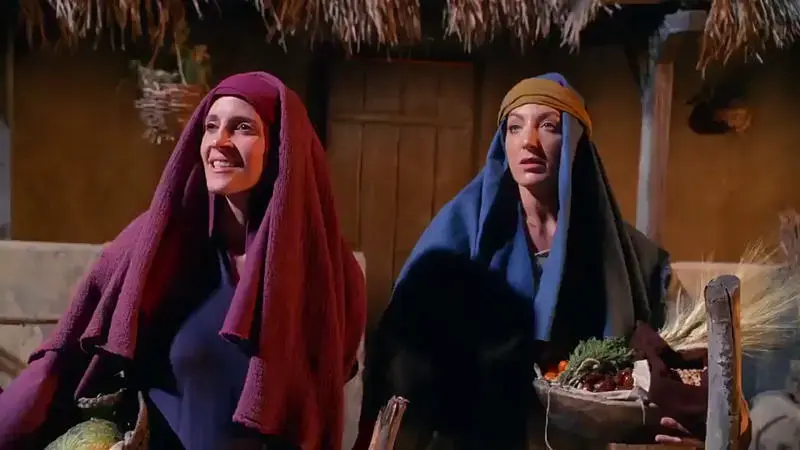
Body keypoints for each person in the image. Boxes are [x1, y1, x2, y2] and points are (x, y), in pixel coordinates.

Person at [0, 72, 367, 450]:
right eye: (211, 126)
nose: (219, 142)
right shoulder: (155, 247)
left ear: (282, 148)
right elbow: (62, 361)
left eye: (243, 128)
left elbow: (321, 396)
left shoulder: (331, 275)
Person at [354, 73, 707, 450]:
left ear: (575, 143)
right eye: (515, 127)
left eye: (549, 126)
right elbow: (402, 348)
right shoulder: (461, 234)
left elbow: (686, 357)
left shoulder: (623, 252)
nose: (529, 142)